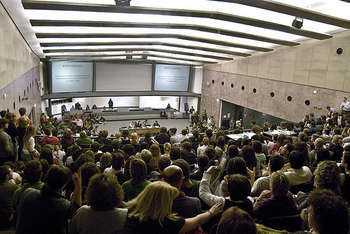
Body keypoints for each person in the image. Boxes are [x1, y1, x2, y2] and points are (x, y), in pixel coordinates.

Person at [124, 181, 223, 234]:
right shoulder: (165, 222)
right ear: (162, 202)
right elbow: (196, 221)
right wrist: (211, 212)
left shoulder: (130, 213)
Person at [15, 165, 82, 234]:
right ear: (64, 185)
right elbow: (77, 210)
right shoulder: (64, 205)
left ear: (45, 176)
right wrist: (78, 185)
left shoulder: (28, 192)